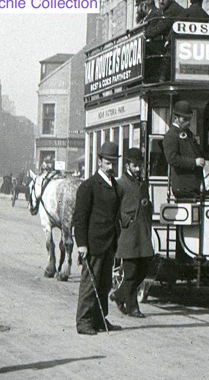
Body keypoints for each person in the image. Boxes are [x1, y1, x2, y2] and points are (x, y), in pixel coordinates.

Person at [73, 141, 123, 335]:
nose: (111, 167)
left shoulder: (115, 186)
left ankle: (100, 319)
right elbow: (80, 217)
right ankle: (84, 322)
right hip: (93, 243)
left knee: (104, 283)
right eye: (108, 163)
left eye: (113, 163)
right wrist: (82, 244)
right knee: (89, 283)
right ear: (100, 162)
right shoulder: (89, 186)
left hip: (109, 242)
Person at [110, 148, 154, 318]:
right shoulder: (120, 184)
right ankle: (132, 307)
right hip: (128, 234)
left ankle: (119, 295)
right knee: (131, 272)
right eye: (135, 165)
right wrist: (126, 220)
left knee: (144, 270)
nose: (137, 169)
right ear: (127, 164)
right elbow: (114, 209)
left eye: (139, 166)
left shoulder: (143, 183)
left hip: (142, 232)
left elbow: (147, 204)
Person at [162, 100, 205, 199]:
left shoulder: (188, 134)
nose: (188, 122)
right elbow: (172, 158)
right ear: (176, 118)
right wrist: (194, 163)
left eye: (189, 119)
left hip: (194, 187)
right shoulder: (171, 135)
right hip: (183, 188)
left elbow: (198, 152)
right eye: (185, 119)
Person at [155, 0, 186, 82]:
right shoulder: (164, 10)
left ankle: (161, 79)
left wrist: (145, 33)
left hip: (177, 45)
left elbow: (159, 28)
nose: (161, 2)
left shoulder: (172, 10)